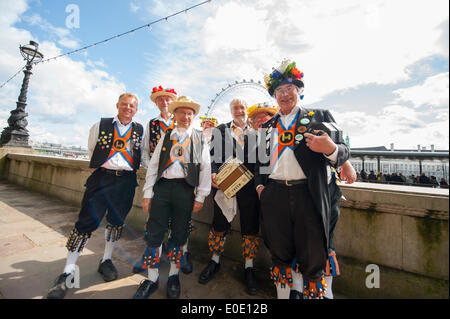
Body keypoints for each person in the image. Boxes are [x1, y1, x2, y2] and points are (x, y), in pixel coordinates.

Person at [255, 59, 349, 299]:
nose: (285, 95)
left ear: (299, 91)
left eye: (290, 89)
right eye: (279, 91)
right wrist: (259, 187)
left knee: (313, 254)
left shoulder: (318, 116)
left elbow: (343, 149)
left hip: (308, 195)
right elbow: (259, 163)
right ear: (274, 96)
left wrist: (330, 149)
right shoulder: (267, 127)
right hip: (275, 195)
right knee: (280, 253)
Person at [46, 93, 144, 299]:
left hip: (126, 182)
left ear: (136, 109)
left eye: (132, 106)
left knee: (116, 222)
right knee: (85, 223)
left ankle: (106, 260)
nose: (128, 108)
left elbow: (142, 157)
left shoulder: (139, 129)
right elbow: (92, 151)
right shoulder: (101, 124)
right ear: (117, 105)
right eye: (124, 104)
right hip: (101, 179)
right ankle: (67, 271)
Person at [133, 96, 211, 299]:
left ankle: (174, 276)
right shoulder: (166, 136)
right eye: (181, 113)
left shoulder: (199, 138)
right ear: (174, 115)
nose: (185, 116)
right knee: (153, 235)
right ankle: (151, 278)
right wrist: (148, 193)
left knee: (179, 234)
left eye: (189, 113)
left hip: (186, 191)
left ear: (193, 117)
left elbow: (205, 168)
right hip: (163, 188)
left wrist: (201, 196)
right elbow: (153, 165)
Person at [198, 98, 261, 295]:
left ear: (246, 110)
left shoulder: (256, 132)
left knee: (250, 225)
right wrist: (213, 173)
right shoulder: (221, 130)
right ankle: (214, 261)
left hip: (249, 187)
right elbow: (212, 156)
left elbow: (262, 161)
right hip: (225, 184)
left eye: (242, 107)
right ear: (231, 110)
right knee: (219, 223)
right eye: (235, 107)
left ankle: (249, 267)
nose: (239, 110)